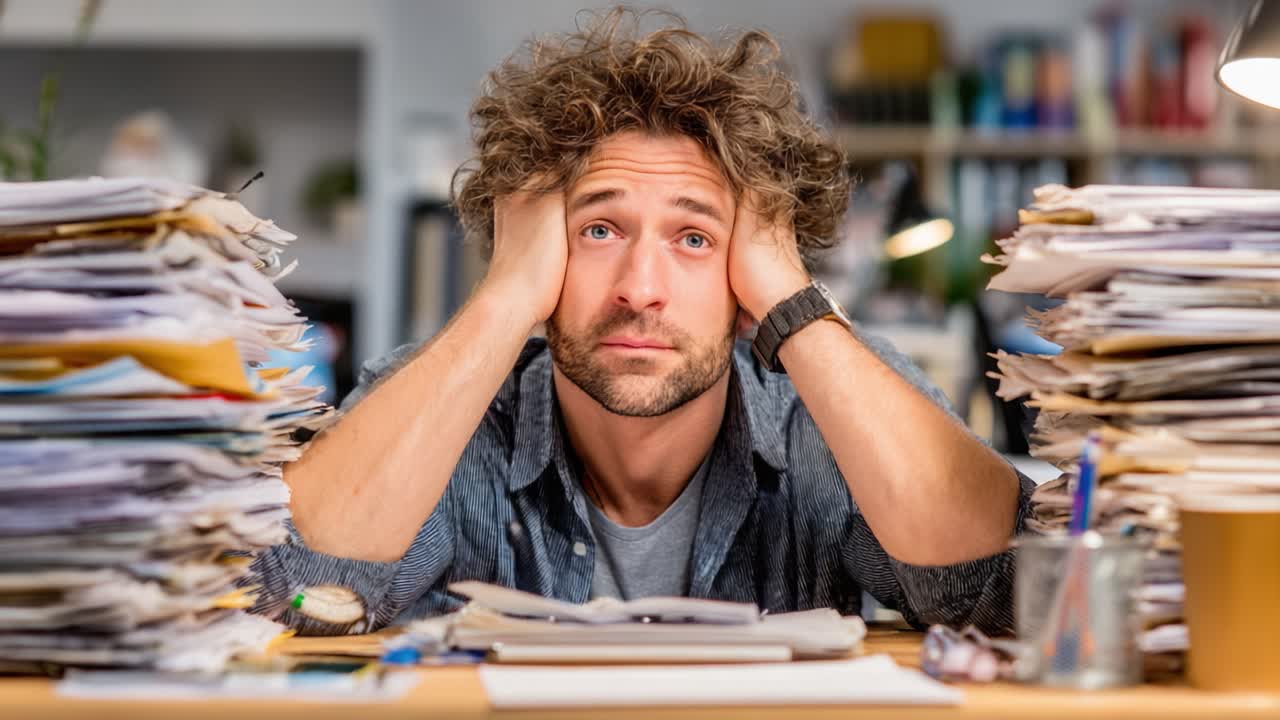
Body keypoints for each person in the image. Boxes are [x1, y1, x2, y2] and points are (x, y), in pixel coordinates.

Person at [248, 8, 1033, 636]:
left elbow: (1003, 583)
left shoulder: (823, 416)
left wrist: (790, 298)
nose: (640, 289)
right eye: (599, 230)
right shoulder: (450, 411)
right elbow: (296, 586)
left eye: (695, 239)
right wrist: (505, 297)